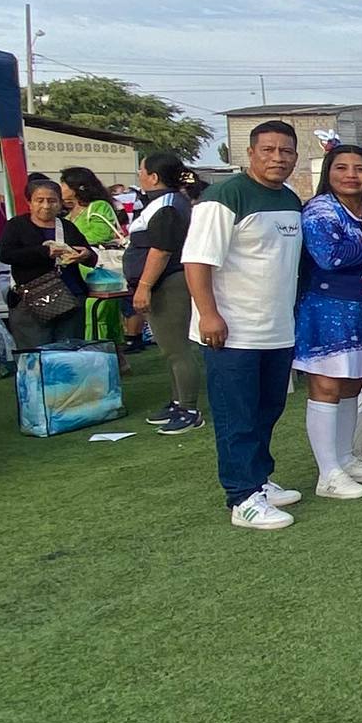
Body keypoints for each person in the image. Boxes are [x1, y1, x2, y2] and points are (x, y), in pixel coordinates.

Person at [183, 121, 308, 531]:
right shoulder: (225, 196)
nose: (277, 158)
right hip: (233, 331)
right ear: (250, 153)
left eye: (286, 151)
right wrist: (209, 314)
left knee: (267, 408)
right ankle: (242, 497)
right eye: (268, 150)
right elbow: (197, 261)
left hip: (276, 327)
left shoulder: (289, 199)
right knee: (236, 413)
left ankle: (259, 480)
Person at [295, 143, 362, 500]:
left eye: (359, 168)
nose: (351, 175)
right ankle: (328, 473)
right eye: (342, 168)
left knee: (352, 384)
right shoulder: (320, 210)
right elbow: (329, 257)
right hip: (325, 309)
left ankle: (345, 458)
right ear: (328, 172)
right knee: (326, 387)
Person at [126, 153, 202, 433]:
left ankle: (189, 408)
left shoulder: (167, 205)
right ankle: (177, 401)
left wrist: (144, 286)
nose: (139, 175)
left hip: (169, 282)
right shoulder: (162, 202)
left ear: (154, 177)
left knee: (177, 348)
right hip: (162, 281)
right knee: (169, 349)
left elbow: (161, 250)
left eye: (141, 170)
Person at [0, 179, 95, 349]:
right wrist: (44, 252)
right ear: (29, 202)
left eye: (52, 201)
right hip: (31, 298)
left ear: (60, 203)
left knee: (68, 350)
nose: (46, 206)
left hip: (70, 297)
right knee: (36, 351)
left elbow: (90, 256)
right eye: (40, 200)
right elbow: (6, 255)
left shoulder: (67, 227)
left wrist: (85, 255)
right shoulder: (17, 226)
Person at [61, 165, 126, 354]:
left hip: (100, 272)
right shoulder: (69, 214)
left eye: (63, 184)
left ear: (77, 186)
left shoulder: (98, 207)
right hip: (77, 275)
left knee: (100, 315)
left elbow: (102, 233)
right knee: (86, 315)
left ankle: (108, 355)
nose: (60, 189)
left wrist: (70, 242)